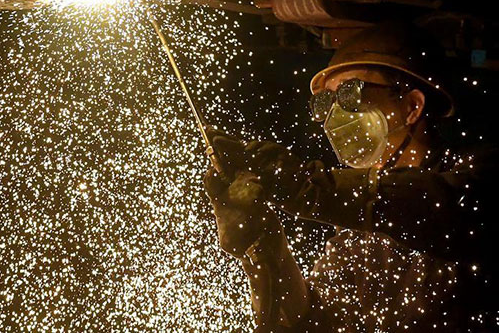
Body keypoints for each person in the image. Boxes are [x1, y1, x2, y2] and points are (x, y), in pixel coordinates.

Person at [204, 22, 498, 332]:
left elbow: (443, 209)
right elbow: (309, 324)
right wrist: (263, 243)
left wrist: (309, 186)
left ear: (412, 106)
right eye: (325, 103)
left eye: (349, 94)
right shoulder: (355, 236)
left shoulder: (481, 178)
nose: (334, 116)